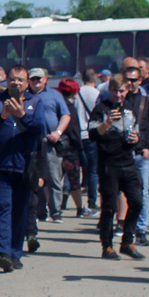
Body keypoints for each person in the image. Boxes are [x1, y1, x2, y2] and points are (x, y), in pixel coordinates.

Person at [0, 65, 44, 271]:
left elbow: (39, 128)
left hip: (24, 165)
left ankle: (16, 252)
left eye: (21, 80)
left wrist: (22, 114)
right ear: (6, 80)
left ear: (27, 83)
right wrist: (4, 116)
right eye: (13, 79)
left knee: (20, 210)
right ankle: (3, 252)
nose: (17, 83)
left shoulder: (35, 102)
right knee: (3, 208)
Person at [90, 75, 145, 260]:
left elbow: (137, 130)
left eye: (121, 91)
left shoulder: (130, 108)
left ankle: (128, 242)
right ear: (110, 91)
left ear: (126, 91)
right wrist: (106, 123)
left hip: (128, 162)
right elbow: (92, 134)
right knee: (109, 207)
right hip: (109, 163)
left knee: (137, 201)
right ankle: (107, 246)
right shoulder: (101, 108)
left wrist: (137, 140)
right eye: (115, 91)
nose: (119, 95)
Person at [120, 63, 149, 245]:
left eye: (134, 80)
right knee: (117, 193)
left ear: (140, 80)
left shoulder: (146, 102)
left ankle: (140, 230)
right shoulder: (118, 100)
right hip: (120, 154)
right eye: (127, 80)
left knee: (142, 193)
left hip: (140, 154)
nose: (130, 83)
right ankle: (121, 226)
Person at [26, 68, 71, 222]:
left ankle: (56, 211)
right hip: (31, 142)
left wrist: (58, 132)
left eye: (39, 79)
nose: (36, 82)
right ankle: (39, 210)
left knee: (54, 178)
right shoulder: (25, 96)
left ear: (45, 79)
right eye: (32, 79)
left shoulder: (54, 95)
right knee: (34, 177)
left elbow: (66, 115)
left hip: (50, 142)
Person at [56, 79, 86, 217]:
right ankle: (80, 208)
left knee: (53, 179)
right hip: (70, 148)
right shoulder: (71, 108)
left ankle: (52, 208)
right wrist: (80, 148)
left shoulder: (56, 104)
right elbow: (74, 130)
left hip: (55, 146)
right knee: (74, 180)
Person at [75, 69, 101, 216]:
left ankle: (66, 196)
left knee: (74, 168)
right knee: (92, 169)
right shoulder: (97, 94)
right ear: (95, 79)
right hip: (90, 134)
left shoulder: (76, 92)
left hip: (78, 134)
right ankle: (92, 200)